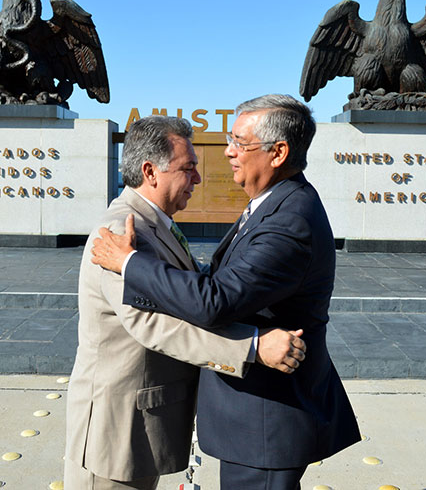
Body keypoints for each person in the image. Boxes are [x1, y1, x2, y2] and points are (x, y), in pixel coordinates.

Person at [92, 95, 361, 490]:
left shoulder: (289, 222)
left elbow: (214, 299)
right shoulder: (274, 204)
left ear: (278, 152)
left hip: (267, 419)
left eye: (239, 142)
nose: (229, 152)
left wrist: (130, 263)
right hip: (256, 418)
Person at [64, 115, 307, 490]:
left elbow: (188, 290)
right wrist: (253, 346)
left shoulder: (155, 223)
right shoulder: (122, 233)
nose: (197, 179)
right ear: (151, 171)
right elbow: (154, 324)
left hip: (141, 425)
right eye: (188, 169)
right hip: (115, 432)